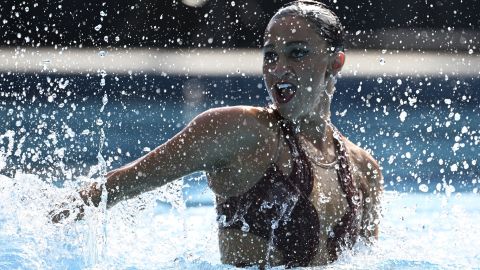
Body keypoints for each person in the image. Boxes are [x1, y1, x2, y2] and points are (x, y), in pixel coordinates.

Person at [53, 0, 383, 268]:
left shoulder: (363, 169)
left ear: (335, 62)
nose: (278, 68)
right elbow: (122, 184)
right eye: (270, 55)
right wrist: (44, 223)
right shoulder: (239, 131)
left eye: (297, 52)